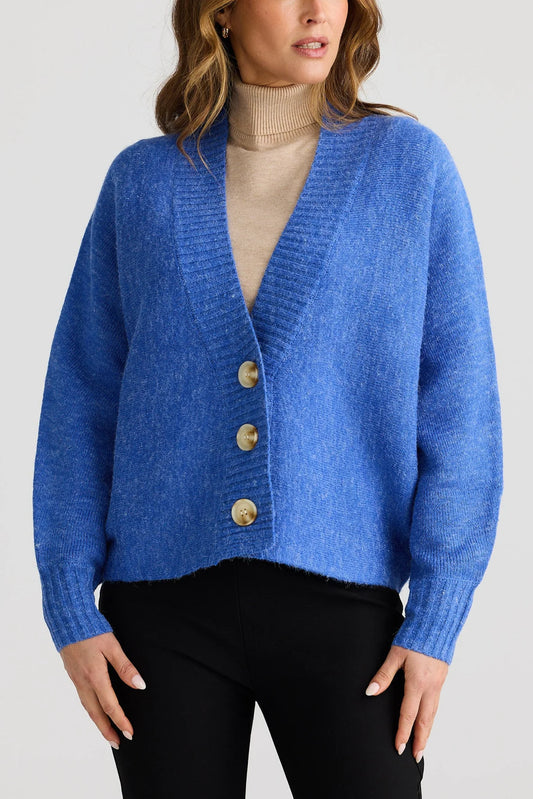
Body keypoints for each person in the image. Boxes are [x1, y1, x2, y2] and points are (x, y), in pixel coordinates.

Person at [32, 1, 504, 797]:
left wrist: (437, 613)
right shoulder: (141, 184)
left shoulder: (407, 168)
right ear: (221, 12)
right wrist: (69, 605)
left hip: (346, 610)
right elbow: (81, 402)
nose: (320, 11)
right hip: (159, 616)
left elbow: (459, 407)